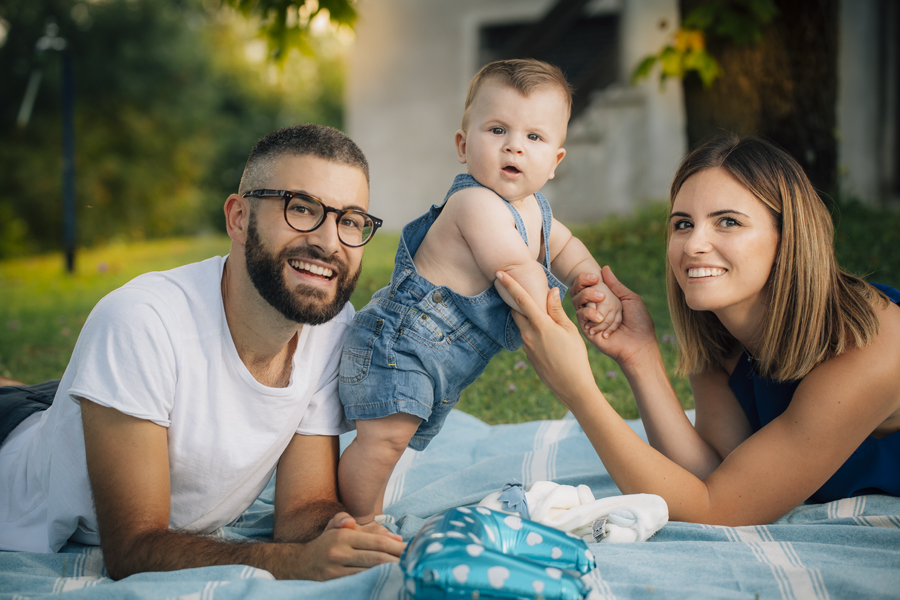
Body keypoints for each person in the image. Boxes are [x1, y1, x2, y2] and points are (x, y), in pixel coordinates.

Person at [0, 124, 406, 579]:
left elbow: (302, 511)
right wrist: (295, 564)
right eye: (302, 208)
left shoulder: (333, 328)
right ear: (237, 219)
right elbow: (132, 550)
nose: (330, 243)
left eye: (350, 221)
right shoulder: (141, 319)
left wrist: (347, 537)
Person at [495, 135, 900, 525]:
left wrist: (578, 391)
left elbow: (717, 510)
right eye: (683, 224)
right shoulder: (722, 327)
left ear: (787, 237)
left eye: (727, 222)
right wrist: (642, 358)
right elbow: (710, 476)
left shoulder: (871, 343)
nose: (693, 245)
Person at [337, 59, 623, 524]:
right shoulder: (474, 204)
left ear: (555, 161)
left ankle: (352, 508)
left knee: (392, 441)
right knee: (383, 442)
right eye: (497, 130)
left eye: (534, 137)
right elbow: (515, 270)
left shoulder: (535, 210)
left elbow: (566, 248)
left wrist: (592, 283)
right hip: (398, 347)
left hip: (435, 360)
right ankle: (358, 522)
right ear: (463, 145)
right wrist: (558, 321)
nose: (514, 145)